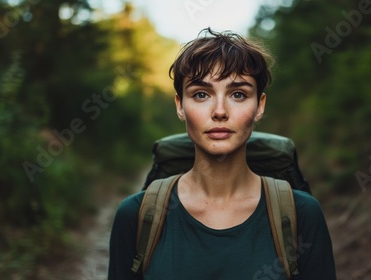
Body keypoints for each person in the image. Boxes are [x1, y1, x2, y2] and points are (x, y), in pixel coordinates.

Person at [108, 28, 336, 280]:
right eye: (201, 94)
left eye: (238, 94)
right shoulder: (136, 215)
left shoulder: (302, 214)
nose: (219, 111)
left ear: (259, 106)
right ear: (180, 106)